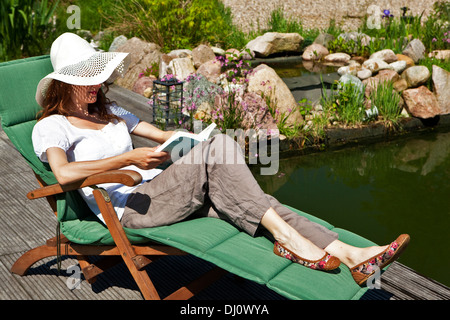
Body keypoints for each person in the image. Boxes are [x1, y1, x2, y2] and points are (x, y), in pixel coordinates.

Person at [32, 33, 409, 286]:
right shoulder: (54, 126)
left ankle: (351, 254)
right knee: (223, 155)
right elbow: (63, 173)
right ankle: (290, 240)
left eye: (95, 74)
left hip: (159, 192)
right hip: (129, 208)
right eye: (84, 78)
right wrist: (125, 160)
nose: (94, 84)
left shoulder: (110, 110)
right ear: (63, 82)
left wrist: (196, 136)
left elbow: (163, 136)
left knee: (261, 202)